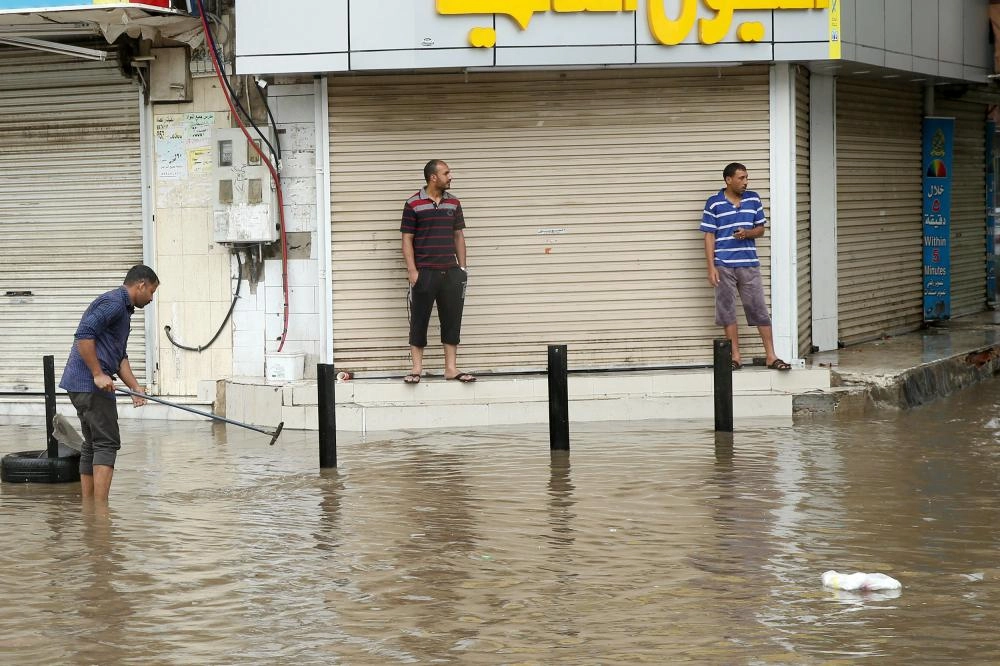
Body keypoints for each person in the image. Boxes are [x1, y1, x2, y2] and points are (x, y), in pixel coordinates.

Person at [59, 264, 159, 501]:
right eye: (152, 292)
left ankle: (90, 508)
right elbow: (84, 334)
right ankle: (101, 510)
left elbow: (119, 356)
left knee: (92, 444)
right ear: (141, 285)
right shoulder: (114, 303)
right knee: (106, 443)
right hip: (90, 385)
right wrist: (97, 373)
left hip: (81, 385)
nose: (152, 298)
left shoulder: (123, 310)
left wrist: (136, 388)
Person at [701, 163, 790, 371]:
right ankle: (735, 357)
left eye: (746, 178)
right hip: (723, 265)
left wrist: (747, 233)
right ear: (728, 180)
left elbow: (761, 229)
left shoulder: (753, 199)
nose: (745, 182)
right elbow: (709, 235)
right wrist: (711, 267)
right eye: (741, 178)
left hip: (749, 264)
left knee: (758, 308)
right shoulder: (714, 203)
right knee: (727, 311)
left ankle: (771, 356)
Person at [400, 160, 474, 384]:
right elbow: (407, 239)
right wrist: (413, 271)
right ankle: (416, 369)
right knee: (419, 320)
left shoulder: (453, 203)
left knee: (452, 319)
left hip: (451, 272)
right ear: (433, 177)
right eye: (446, 173)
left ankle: (451, 369)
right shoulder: (413, 203)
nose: (450, 176)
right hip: (425, 272)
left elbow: (458, 236)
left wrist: (462, 268)